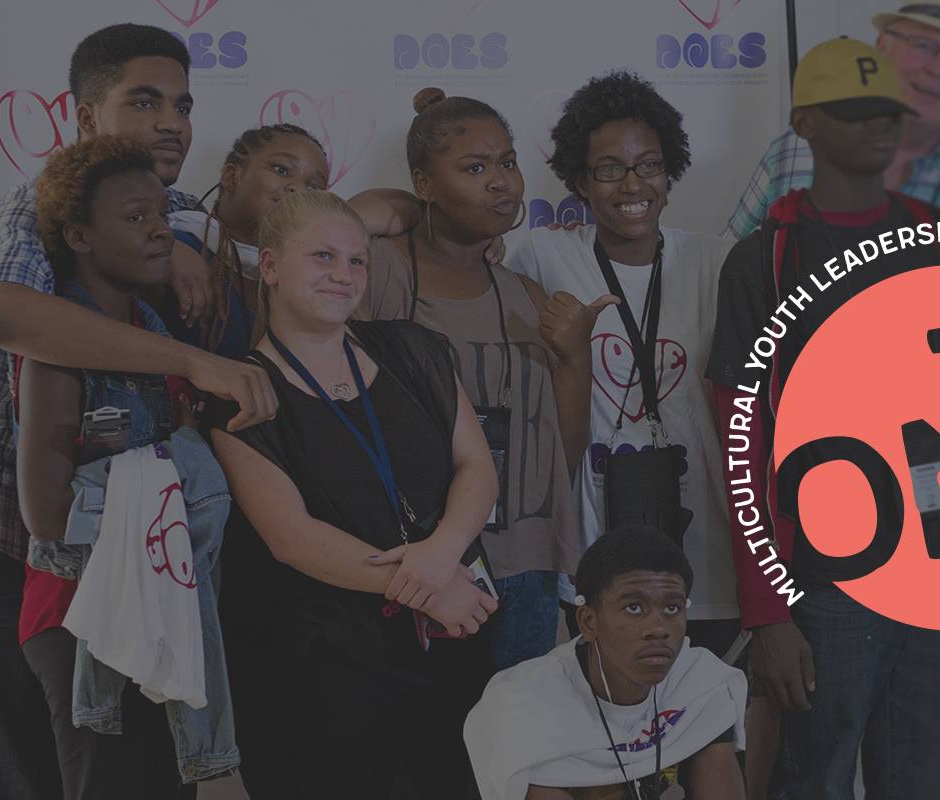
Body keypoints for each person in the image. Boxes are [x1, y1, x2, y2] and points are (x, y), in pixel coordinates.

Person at [0, 23, 275, 799]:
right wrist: (191, 359)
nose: (171, 121)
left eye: (183, 105)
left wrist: (172, 243)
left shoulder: (168, 225)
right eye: (144, 101)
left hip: (68, 552)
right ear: (86, 116)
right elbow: (5, 312)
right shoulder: (31, 208)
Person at [706, 37, 940, 799]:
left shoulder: (938, 244)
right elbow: (742, 444)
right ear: (804, 122)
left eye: (887, 110)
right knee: (814, 780)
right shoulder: (765, 261)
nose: (878, 124)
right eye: (854, 110)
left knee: (923, 780)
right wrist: (768, 610)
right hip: (829, 579)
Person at [204, 190, 499, 798]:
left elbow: (476, 466)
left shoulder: (414, 350)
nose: (344, 275)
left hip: (449, 634)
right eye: (322, 256)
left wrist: (443, 553)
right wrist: (430, 585)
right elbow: (291, 537)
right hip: (322, 665)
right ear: (270, 266)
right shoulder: (241, 392)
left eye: (357, 260)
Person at [508, 70, 741, 656]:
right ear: (580, 182)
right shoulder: (542, 256)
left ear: (670, 170)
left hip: (707, 551)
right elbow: (454, 255)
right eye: (609, 169)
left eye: (649, 165)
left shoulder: (716, 262)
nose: (633, 184)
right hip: (593, 549)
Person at [353, 87, 588, 671]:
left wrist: (574, 359)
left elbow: (562, 454)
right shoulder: (375, 271)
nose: (501, 182)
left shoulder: (526, 294)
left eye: (508, 162)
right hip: (416, 561)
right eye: (475, 168)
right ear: (424, 184)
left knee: (514, 728)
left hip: (525, 564)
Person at [17, 136, 211, 799]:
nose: (161, 230)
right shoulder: (56, 345)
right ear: (79, 236)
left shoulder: (157, 334)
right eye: (136, 217)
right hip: (83, 616)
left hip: (161, 604)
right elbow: (47, 515)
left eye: (161, 214)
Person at [465, 525, 747, 800]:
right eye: (634, 608)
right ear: (588, 622)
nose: (658, 628)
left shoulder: (701, 683)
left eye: (672, 607)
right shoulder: (524, 703)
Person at [725, 1, 940, 265]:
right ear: (882, 47)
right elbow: (725, 262)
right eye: (923, 45)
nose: (938, 69)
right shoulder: (796, 146)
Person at [168, 123, 331, 357]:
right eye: (281, 170)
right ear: (231, 177)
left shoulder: (303, 279)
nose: (298, 190)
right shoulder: (178, 248)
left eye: (313, 188)